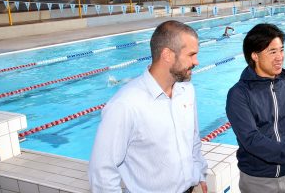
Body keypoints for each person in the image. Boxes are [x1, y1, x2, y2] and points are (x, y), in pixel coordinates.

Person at [89, 20, 208, 193]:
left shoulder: (187, 91)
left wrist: (199, 175)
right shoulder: (125, 105)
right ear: (167, 55)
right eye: (191, 54)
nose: (196, 61)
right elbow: (101, 173)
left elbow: (194, 142)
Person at [226, 23, 285, 193]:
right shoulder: (239, 94)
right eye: (272, 52)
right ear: (255, 56)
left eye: (281, 50)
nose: (280, 57)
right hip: (258, 181)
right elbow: (252, 141)